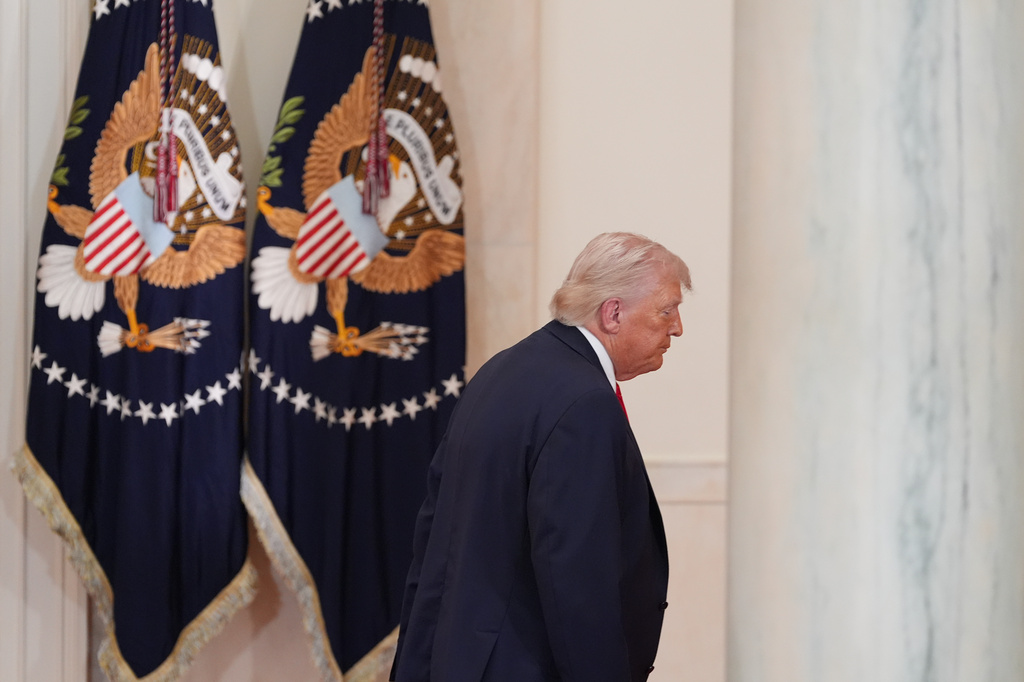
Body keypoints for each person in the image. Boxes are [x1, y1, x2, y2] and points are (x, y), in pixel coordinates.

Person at [390, 232, 691, 681]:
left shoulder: (503, 371)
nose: (677, 327)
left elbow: (433, 539)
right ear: (613, 313)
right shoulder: (584, 403)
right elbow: (578, 582)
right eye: (666, 310)